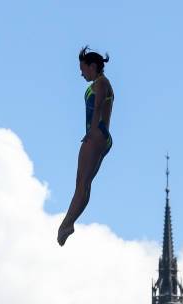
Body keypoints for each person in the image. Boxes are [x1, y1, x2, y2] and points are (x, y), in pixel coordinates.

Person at [57, 46, 114, 246]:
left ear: (93, 66)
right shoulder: (101, 83)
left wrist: (90, 133)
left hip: (97, 134)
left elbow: (98, 105)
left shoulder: (101, 83)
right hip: (102, 136)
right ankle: (68, 223)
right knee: (84, 184)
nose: (81, 73)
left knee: (81, 184)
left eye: (83, 69)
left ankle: (66, 223)